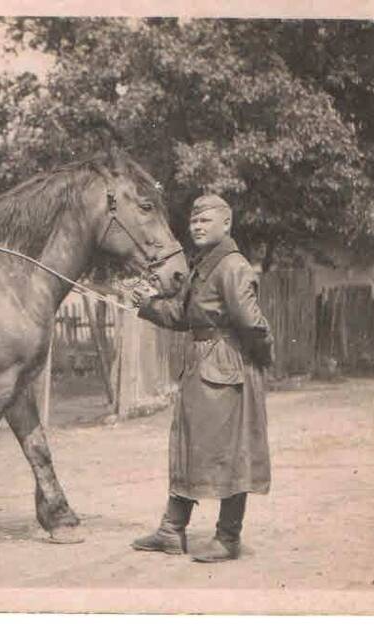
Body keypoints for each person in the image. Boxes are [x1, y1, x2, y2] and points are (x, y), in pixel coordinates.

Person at [129, 194, 273, 563]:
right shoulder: (204, 265)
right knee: (188, 445)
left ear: (226, 224)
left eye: (205, 220)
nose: (196, 226)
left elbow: (251, 322)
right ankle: (171, 530)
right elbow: (181, 315)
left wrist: (263, 356)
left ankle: (228, 537)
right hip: (201, 363)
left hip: (227, 366)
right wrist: (146, 305)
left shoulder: (232, 265)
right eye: (194, 221)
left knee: (231, 451)